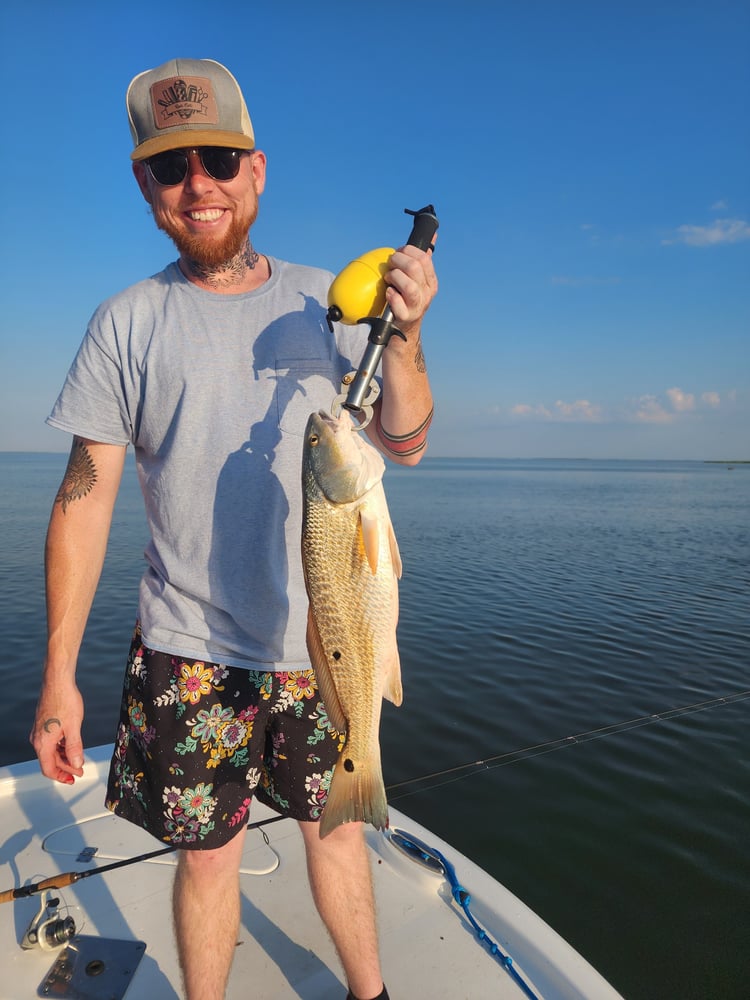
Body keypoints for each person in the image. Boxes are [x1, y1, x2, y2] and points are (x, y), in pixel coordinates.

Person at [29, 58, 437, 1000]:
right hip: (187, 652)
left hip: (322, 645)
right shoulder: (125, 323)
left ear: (257, 169)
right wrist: (58, 674)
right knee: (206, 859)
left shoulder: (329, 302)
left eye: (217, 158)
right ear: (146, 187)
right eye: (171, 169)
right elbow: (85, 496)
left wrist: (405, 337)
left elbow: (405, 441)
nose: (197, 185)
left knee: (337, 830)